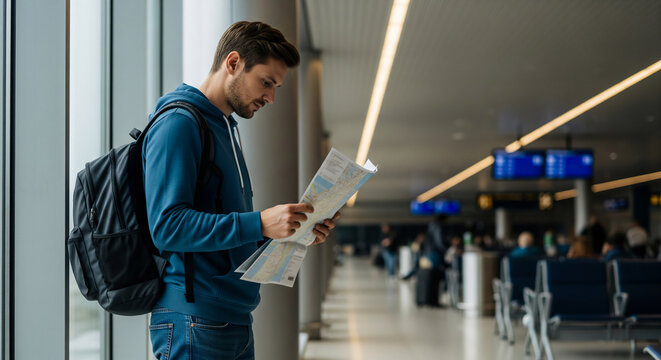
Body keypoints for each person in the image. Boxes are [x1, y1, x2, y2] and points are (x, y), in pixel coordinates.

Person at [145, 21, 340, 360]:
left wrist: (291, 231)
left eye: (276, 86)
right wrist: (260, 223)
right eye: (266, 82)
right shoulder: (179, 123)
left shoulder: (225, 128)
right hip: (195, 319)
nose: (271, 97)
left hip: (230, 317)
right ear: (233, 63)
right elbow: (167, 227)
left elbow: (226, 231)